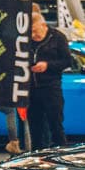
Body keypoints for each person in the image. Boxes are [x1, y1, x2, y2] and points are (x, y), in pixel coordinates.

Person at [23, 9, 72, 149]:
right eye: (30, 33)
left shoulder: (57, 38)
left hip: (51, 87)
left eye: (35, 31)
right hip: (31, 89)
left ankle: (61, 151)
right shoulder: (26, 40)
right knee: (35, 128)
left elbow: (67, 61)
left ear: (43, 25)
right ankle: (37, 154)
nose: (33, 35)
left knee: (55, 124)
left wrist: (48, 65)